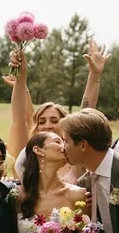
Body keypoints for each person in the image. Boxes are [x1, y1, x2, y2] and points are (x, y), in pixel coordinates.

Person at [10, 40, 109, 182]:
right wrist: (21, 78)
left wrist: (94, 75)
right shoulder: (27, 159)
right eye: (41, 121)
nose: (47, 125)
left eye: (54, 120)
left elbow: (86, 111)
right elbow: (19, 119)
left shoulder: (74, 159)